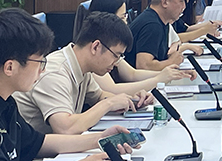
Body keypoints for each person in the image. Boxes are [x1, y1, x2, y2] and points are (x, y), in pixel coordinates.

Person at [0, 8, 137, 161]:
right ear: (10, 67)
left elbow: (39, 142)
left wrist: (100, 139)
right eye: (40, 62)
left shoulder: (3, 101)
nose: (43, 69)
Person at [15, 12, 154, 134]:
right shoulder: (55, 73)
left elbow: (99, 96)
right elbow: (65, 128)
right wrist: (109, 104)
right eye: (116, 56)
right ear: (96, 47)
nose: (116, 63)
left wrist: (131, 101)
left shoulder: (82, 66)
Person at [87, 0, 194, 94]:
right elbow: (113, 89)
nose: (126, 22)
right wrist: (158, 79)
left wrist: (170, 74)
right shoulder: (95, 49)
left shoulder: (110, 45)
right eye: (122, 17)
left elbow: (132, 74)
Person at [126, 0, 200, 71]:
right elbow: (144, 66)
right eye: (181, 0)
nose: (184, 6)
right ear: (165, 2)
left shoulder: (161, 21)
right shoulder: (152, 25)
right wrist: (171, 62)